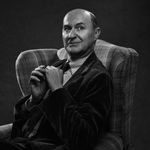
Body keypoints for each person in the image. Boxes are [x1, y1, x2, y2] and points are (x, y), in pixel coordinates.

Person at [0, 9, 113, 150]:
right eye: (67, 29)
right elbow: (21, 126)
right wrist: (34, 100)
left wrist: (57, 90)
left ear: (96, 33)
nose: (71, 35)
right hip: (20, 141)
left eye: (80, 28)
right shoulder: (57, 66)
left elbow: (83, 139)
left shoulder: (99, 78)